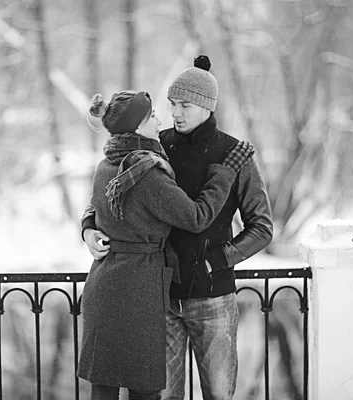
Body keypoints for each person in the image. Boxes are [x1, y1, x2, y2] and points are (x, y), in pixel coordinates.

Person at [82, 56, 273, 400]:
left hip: (214, 297)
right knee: (164, 395)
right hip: (161, 298)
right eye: (171, 104)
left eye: (184, 105)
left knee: (218, 394)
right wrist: (87, 226)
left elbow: (261, 228)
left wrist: (219, 260)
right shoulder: (156, 146)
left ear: (206, 106)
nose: (176, 113)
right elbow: (111, 192)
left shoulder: (234, 154)